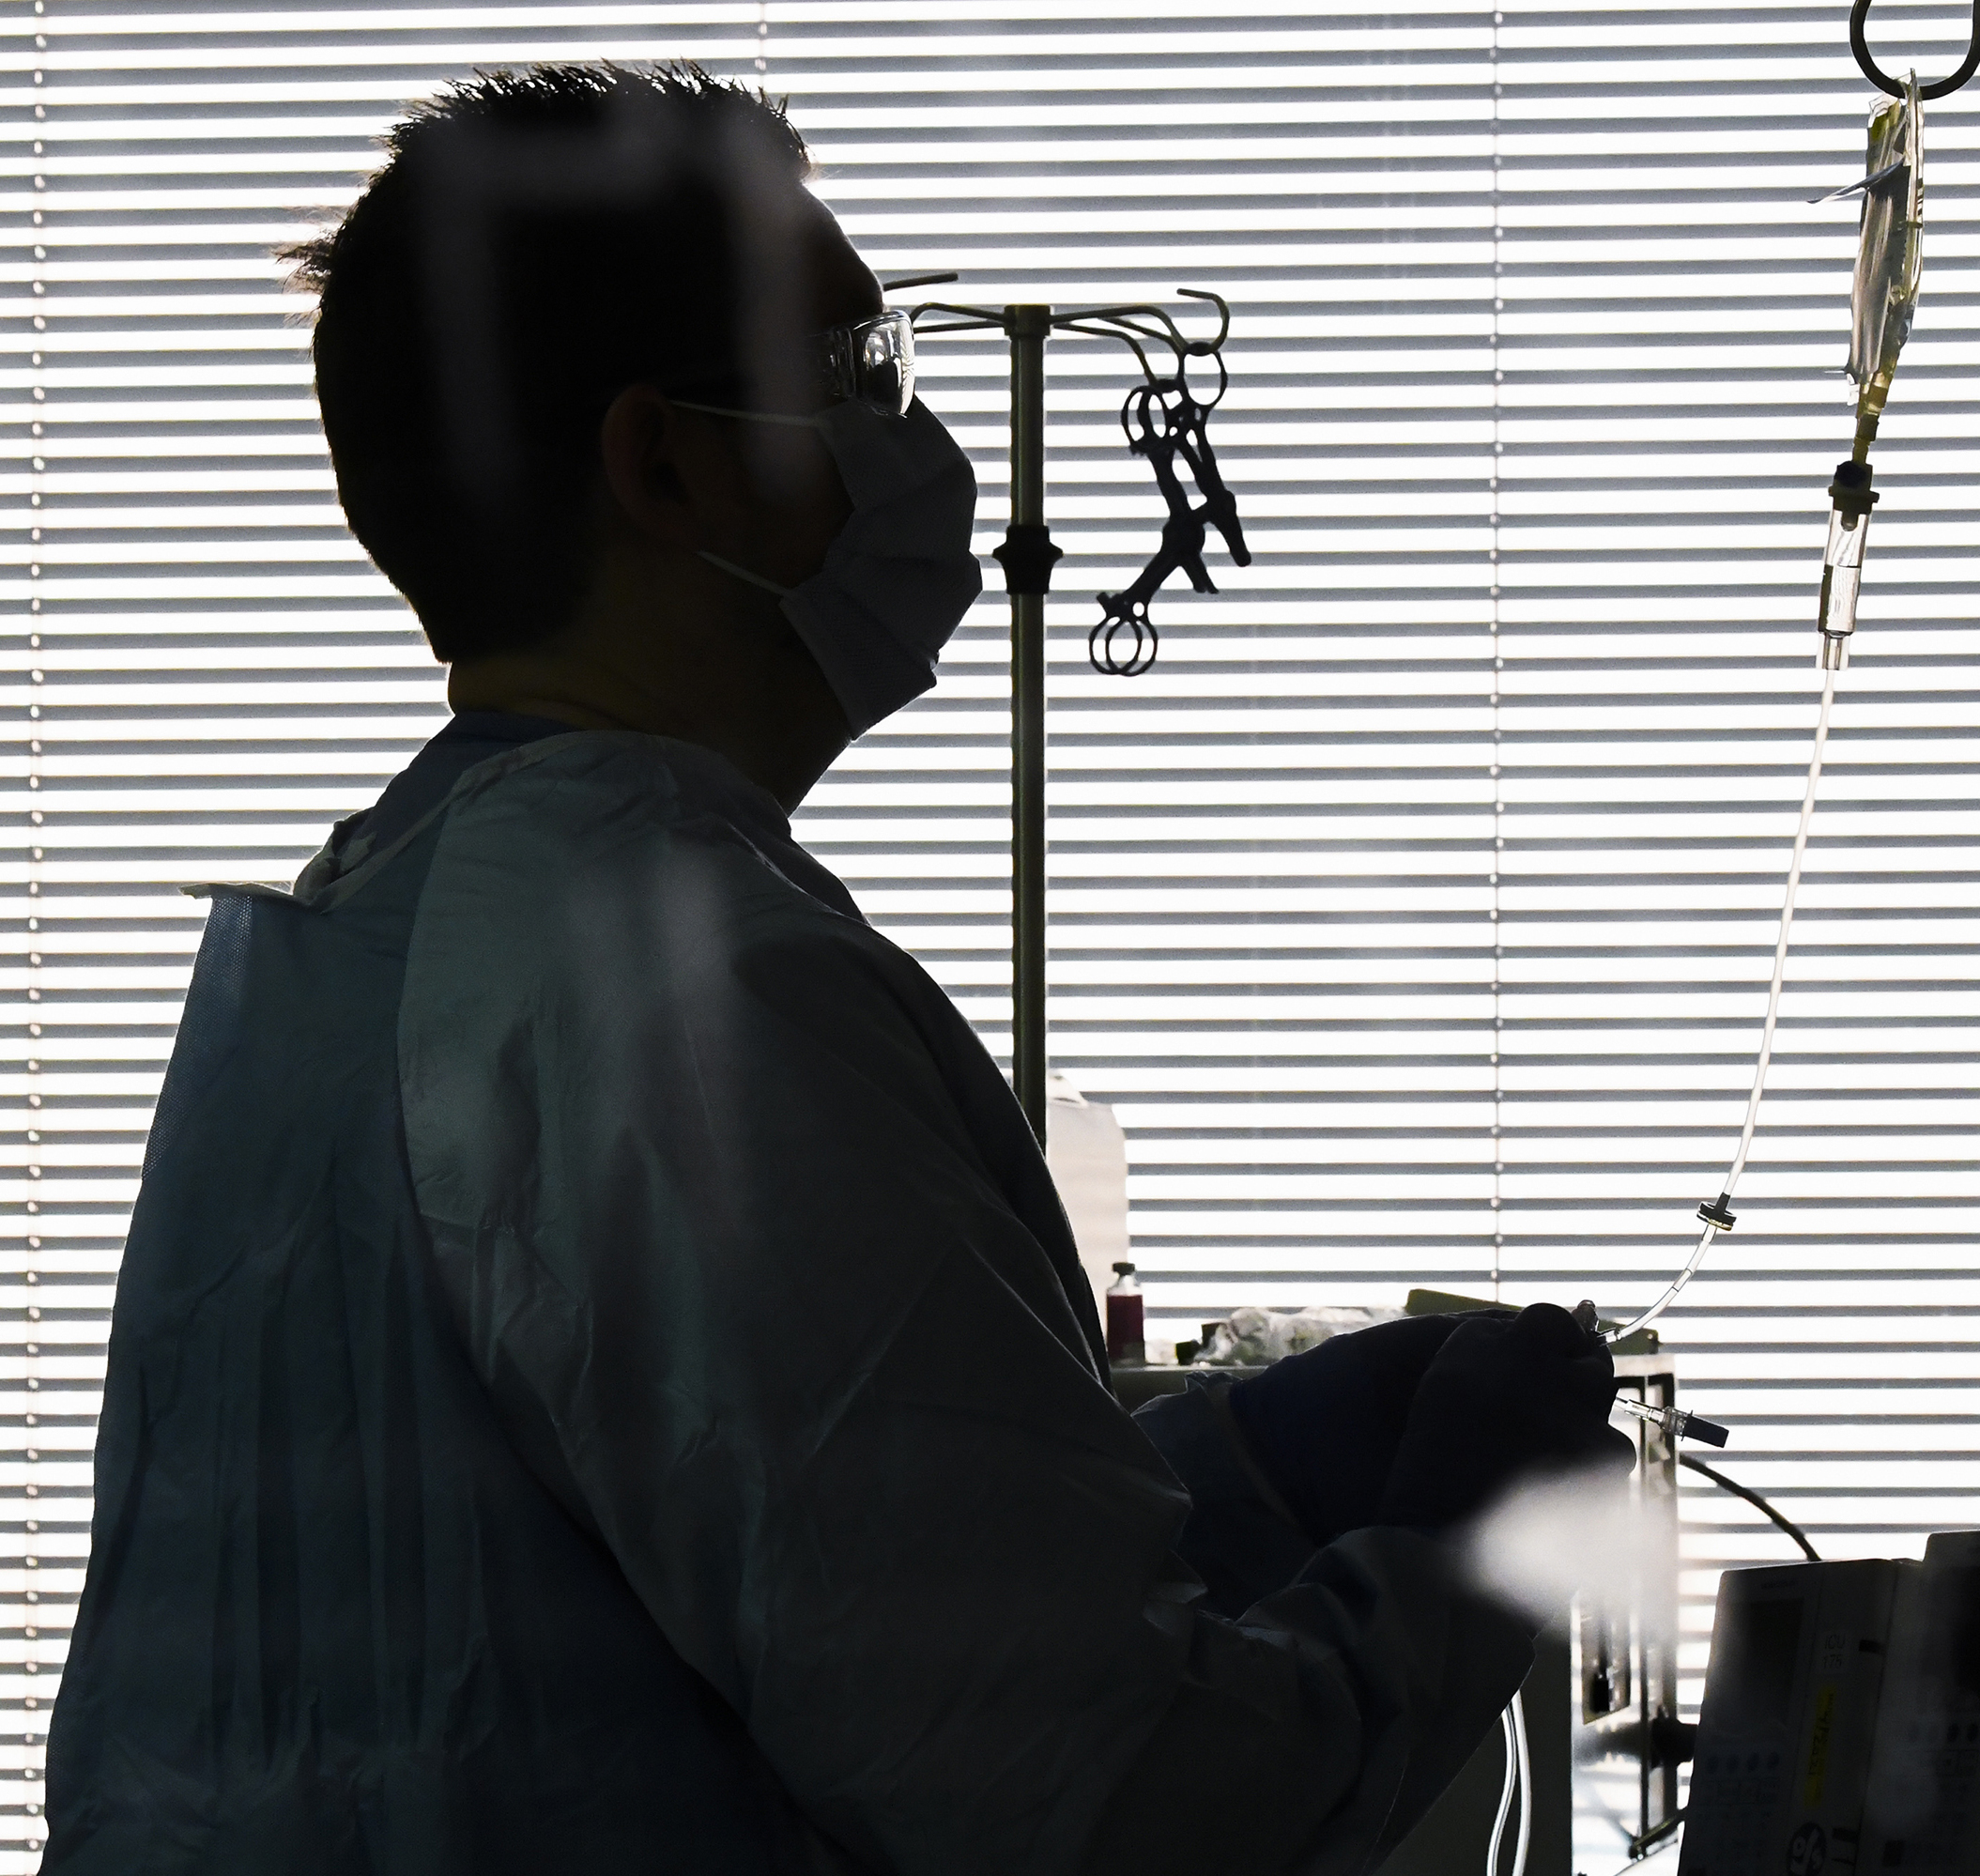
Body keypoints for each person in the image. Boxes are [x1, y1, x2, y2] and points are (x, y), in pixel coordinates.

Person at [38, 64, 1632, 1875]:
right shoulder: (678, 990)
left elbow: (658, 1575)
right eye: (858, 371)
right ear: (666, 460)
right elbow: (1100, 1806)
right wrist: (1463, 1571)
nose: (913, 436)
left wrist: (1235, 1481)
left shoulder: (357, 945)